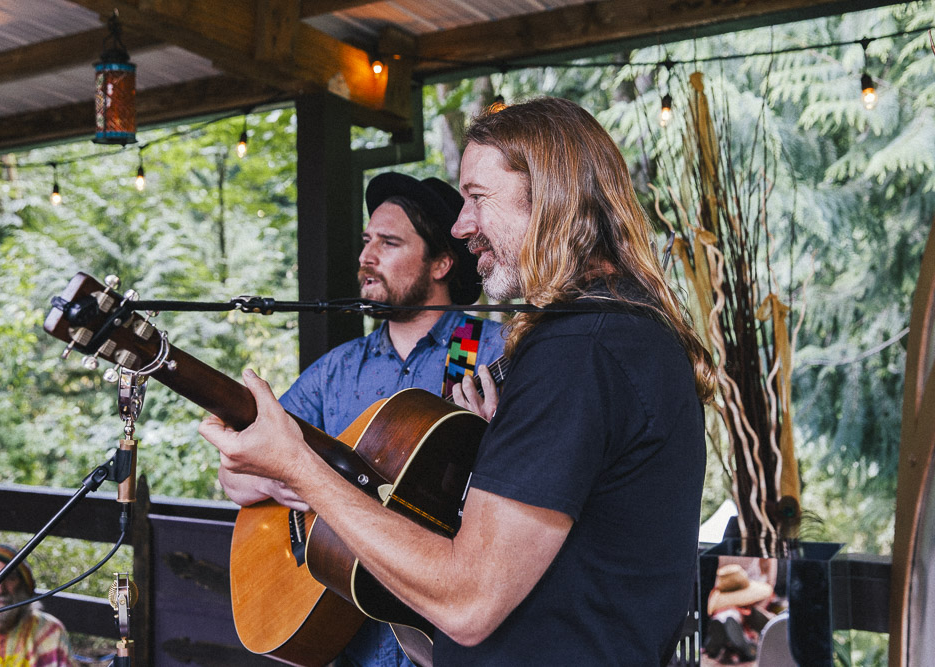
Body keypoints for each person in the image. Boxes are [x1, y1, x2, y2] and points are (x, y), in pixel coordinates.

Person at [202, 97, 715, 665]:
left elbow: (470, 599)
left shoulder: (539, 346)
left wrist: (301, 467)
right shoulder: (346, 363)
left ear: (551, 195)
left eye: (477, 197)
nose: (461, 226)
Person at [219, 171, 505, 666]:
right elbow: (235, 475)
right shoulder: (337, 370)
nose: (366, 257)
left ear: (441, 263)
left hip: (447, 642)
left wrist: (491, 442)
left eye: (388, 243)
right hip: (350, 643)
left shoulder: (492, 354)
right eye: (366, 241)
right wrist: (283, 480)